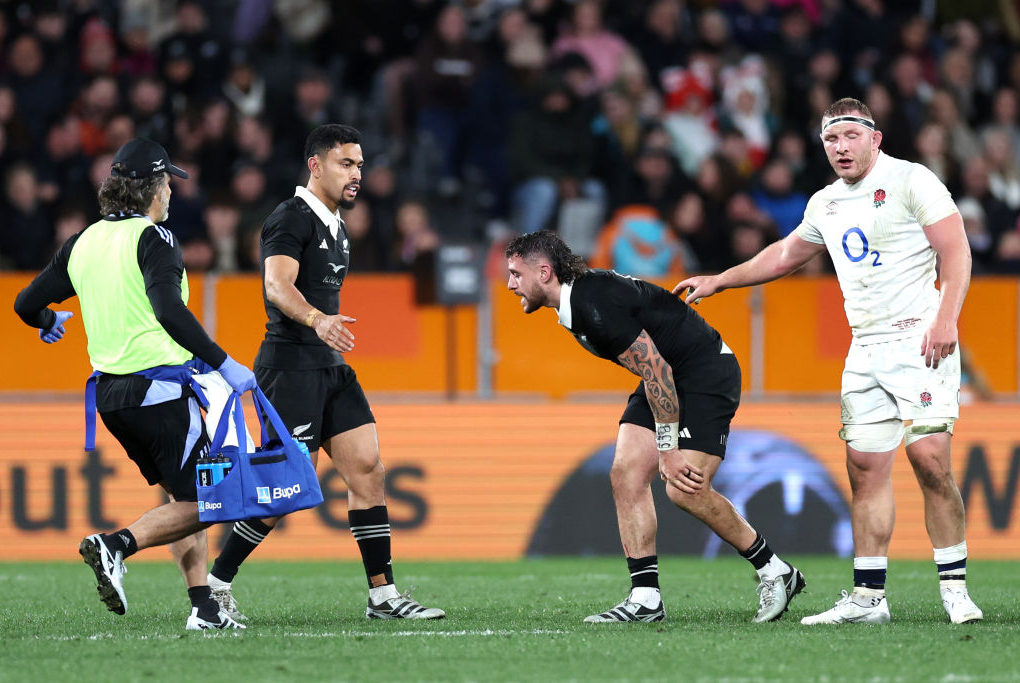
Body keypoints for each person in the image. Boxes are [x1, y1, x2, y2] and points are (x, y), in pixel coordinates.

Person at [676, 97, 983, 626]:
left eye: (849, 136)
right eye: (831, 140)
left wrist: (946, 319)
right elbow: (785, 254)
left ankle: (955, 591)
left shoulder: (913, 181)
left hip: (921, 339)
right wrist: (720, 279)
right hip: (864, 348)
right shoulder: (825, 203)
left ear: (875, 138)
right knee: (864, 470)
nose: (840, 147)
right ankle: (869, 600)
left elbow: (956, 252)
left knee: (930, 459)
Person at [205, 123, 445, 621]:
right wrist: (318, 319)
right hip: (290, 368)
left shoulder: (335, 223)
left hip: (330, 366)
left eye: (360, 164)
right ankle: (215, 583)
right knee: (284, 490)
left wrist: (325, 329)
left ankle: (383, 596)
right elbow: (275, 285)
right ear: (315, 166)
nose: (357, 174)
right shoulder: (289, 219)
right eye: (346, 164)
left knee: (368, 472)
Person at [504, 231, 805, 624]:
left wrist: (667, 449)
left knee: (685, 489)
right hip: (667, 376)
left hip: (702, 374)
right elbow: (656, 368)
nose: (510, 284)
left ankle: (774, 570)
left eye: (515, 273)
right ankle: (645, 598)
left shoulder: (592, 305)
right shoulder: (580, 298)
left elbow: (657, 369)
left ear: (544, 272)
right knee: (626, 472)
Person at [13, 137, 252, 630]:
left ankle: (203, 607)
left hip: (111, 398)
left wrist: (45, 320)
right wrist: (223, 361)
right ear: (149, 189)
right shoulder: (154, 238)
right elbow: (169, 310)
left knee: (180, 496)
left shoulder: (82, 242)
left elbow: (24, 303)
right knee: (214, 498)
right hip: (159, 391)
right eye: (167, 183)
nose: (171, 193)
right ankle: (117, 545)